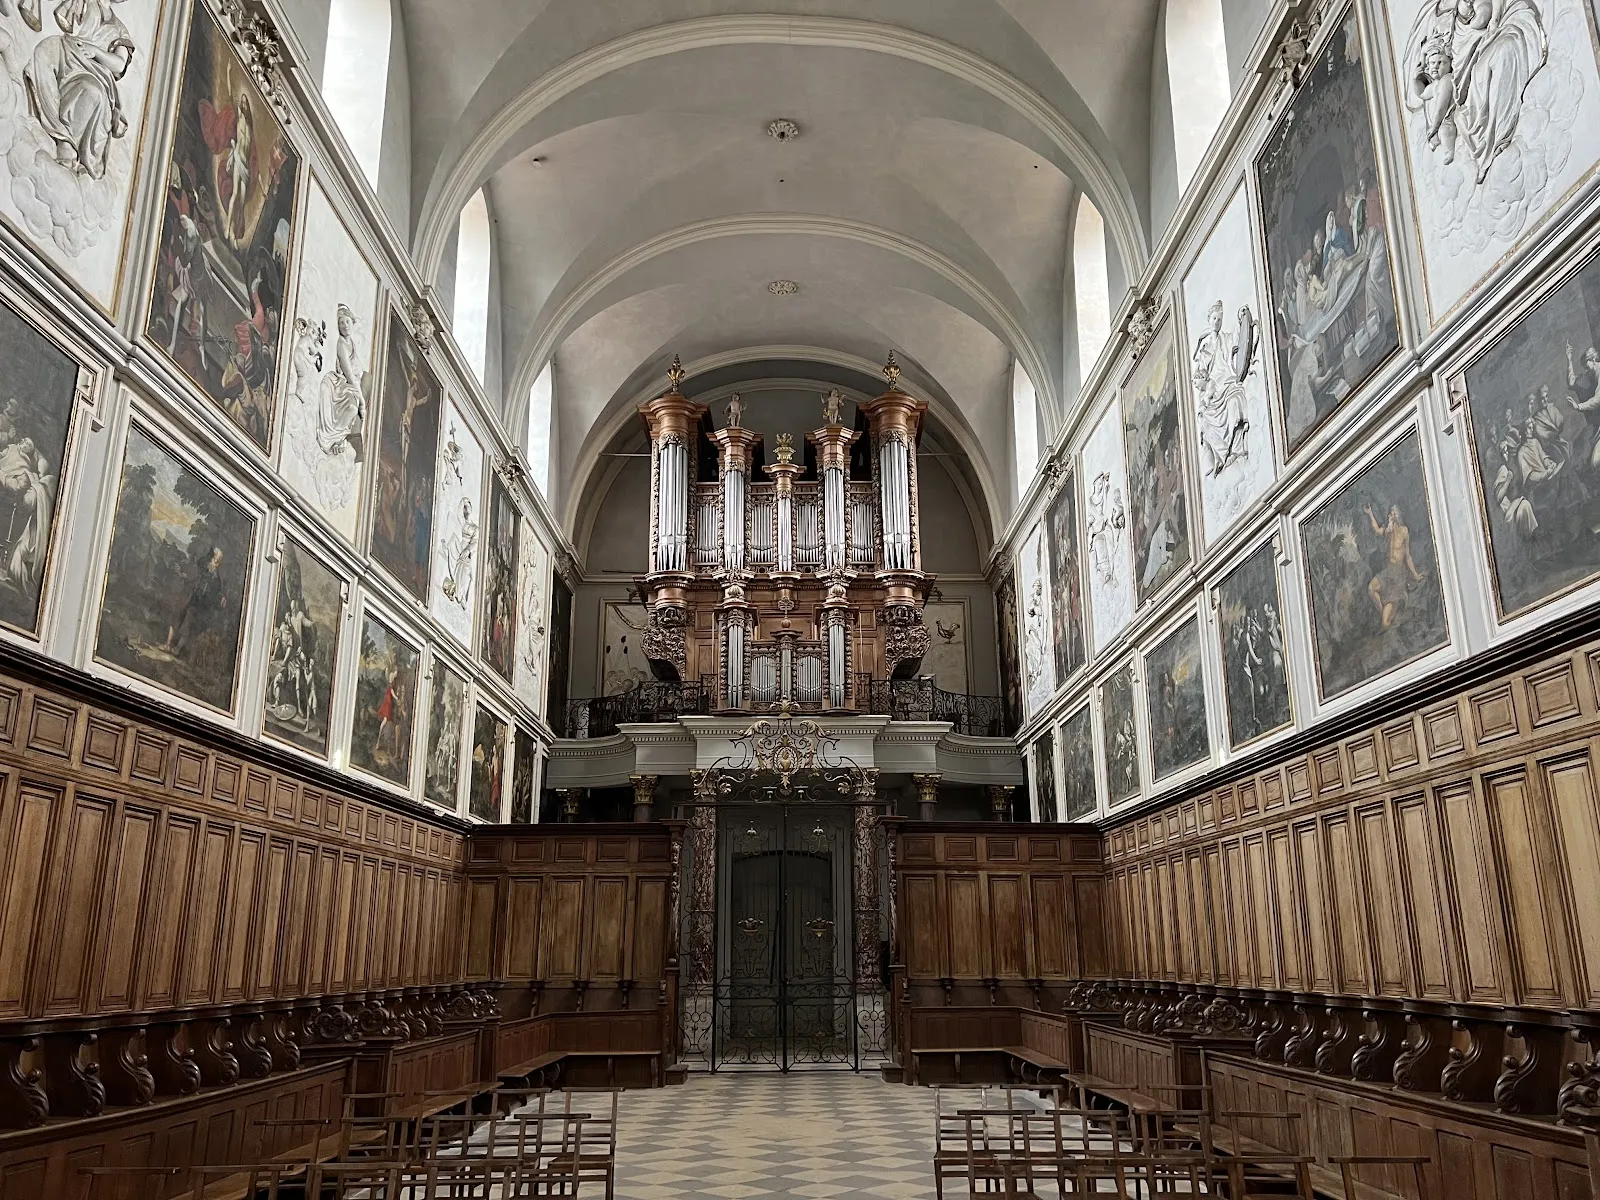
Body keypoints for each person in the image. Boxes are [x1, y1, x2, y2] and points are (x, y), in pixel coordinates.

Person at [21, 0, 136, 180]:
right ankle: (61, 137)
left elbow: (119, 65)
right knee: (44, 55)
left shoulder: (120, 29)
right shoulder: (86, 2)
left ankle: (69, 145)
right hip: (68, 54)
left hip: (95, 72)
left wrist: (96, 52)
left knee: (93, 92)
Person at [1365, 504, 1425, 629]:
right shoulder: (1388, 531)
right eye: (1389, 513)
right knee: (1371, 588)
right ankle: (1385, 615)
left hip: (1398, 576)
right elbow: (1377, 529)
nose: (1389, 515)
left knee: (1385, 624)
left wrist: (1415, 575)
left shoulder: (1404, 531)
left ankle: (1388, 619)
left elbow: (1407, 556)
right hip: (1387, 572)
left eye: (1392, 513)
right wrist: (1370, 514)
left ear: (1397, 515)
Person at [164, 546, 225, 656]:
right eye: (215, 559)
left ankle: (177, 649)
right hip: (188, 596)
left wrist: (221, 599)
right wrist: (182, 574)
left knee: (188, 625)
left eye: (218, 561)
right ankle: (168, 644)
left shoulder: (216, 579)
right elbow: (192, 576)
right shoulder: (202, 566)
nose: (216, 563)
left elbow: (216, 594)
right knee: (177, 615)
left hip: (198, 604)